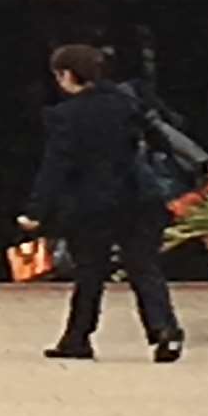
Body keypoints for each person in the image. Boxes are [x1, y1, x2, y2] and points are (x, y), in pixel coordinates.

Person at [19, 45, 184, 363]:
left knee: (90, 271)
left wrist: (35, 211)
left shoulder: (65, 116)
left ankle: (78, 337)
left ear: (66, 75)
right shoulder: (129, 102)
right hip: (139, 197)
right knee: (144, 267)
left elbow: (55, 166)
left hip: (90, 202)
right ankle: (165, 330)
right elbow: (162, 136)